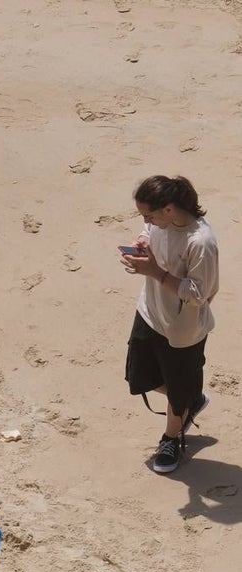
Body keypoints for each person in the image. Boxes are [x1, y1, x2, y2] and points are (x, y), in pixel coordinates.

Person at [121, 174, 218, 474]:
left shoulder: (200, 242)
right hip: (149, 312)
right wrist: (143, 241)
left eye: (148, 216)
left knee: (177, 393)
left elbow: (199, 294)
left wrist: (154, 272)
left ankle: (170, 438)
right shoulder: (159, 223)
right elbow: (150, 231)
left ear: (168, 209)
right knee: (138, 376)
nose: (146, 221)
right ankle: (190, 398)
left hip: (182, 330)